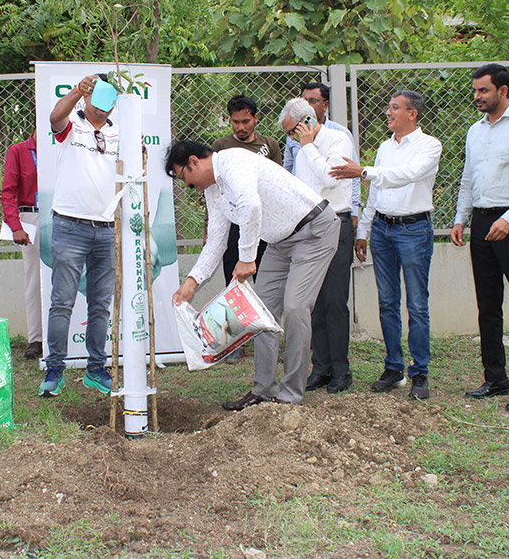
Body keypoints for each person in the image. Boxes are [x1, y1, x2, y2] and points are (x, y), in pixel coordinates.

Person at [167, 140, 338, 409]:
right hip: (279, 242)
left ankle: (291, 394)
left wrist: (247, 258)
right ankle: (264, 390)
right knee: (261, 312)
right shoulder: (213, 190)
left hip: (313, 231)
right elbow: (216, 240)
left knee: (295, 308)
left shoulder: (233, 161)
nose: (188, 186)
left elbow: (250, 205)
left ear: (194, 162)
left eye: (184, 178)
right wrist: (192, 281)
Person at [450, 63, 509, 412]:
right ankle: (495, 379)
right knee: (488, 305)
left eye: (484, 90)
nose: (477, 96)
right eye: (476, 90)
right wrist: (461, 219)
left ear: (503, 91)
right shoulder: (475, 131)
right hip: (481, 221)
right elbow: (468, 178)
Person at [332, 90, 442, 400]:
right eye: (389, 107)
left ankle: (419, 372)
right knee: (387, 302)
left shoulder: (429, 145)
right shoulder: (384, 147)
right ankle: (394, 368)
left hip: (413, 230)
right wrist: (365, 230)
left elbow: (407, 175)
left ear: (412, 114)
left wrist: (363, 172)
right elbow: (377, 192)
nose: (388, 112)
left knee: (417, 304)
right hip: (382, 229)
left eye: (395, 108)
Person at [39, 74, 119, 398]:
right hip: (70, 226)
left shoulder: (118, 132)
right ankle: (54, 370)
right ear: (87, 98)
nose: (101, 109)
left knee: (100, 304)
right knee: (62, 302)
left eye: (107, 102)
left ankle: (96, 369)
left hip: (107, 228)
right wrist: (76, 91)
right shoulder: (72, 124)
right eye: (94, 100)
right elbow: (54, 118)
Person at [280, 98, 358, 394]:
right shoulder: (301, 151)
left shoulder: (337, 140)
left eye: (293, 131)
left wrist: (309, 146)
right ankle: (321, 367)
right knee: (312, 302)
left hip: (335, 223)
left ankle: (340, 369)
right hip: (308, 228)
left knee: (334, 301)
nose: (291, 138)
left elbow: (330, 178)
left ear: (308, 122)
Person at [212, 94, 282, 285]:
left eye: (246, 121)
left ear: (256, 118)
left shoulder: (269, 145)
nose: (241, 127)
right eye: (236, 122)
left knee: (266, 279)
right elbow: (215, 189)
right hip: (234, 218)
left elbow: (276, 184)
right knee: (233, 278)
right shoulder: (221, 146)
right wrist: (209, 227)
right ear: (229, 120)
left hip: (264, 219)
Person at [1, 131, 43, 359]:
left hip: (62, 215)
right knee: (34, 279)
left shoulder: (61, 145)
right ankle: (36, 338)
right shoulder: (19, 151)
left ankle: (65, 336)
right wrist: (16, 225)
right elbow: (8, 193)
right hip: (31, 217)